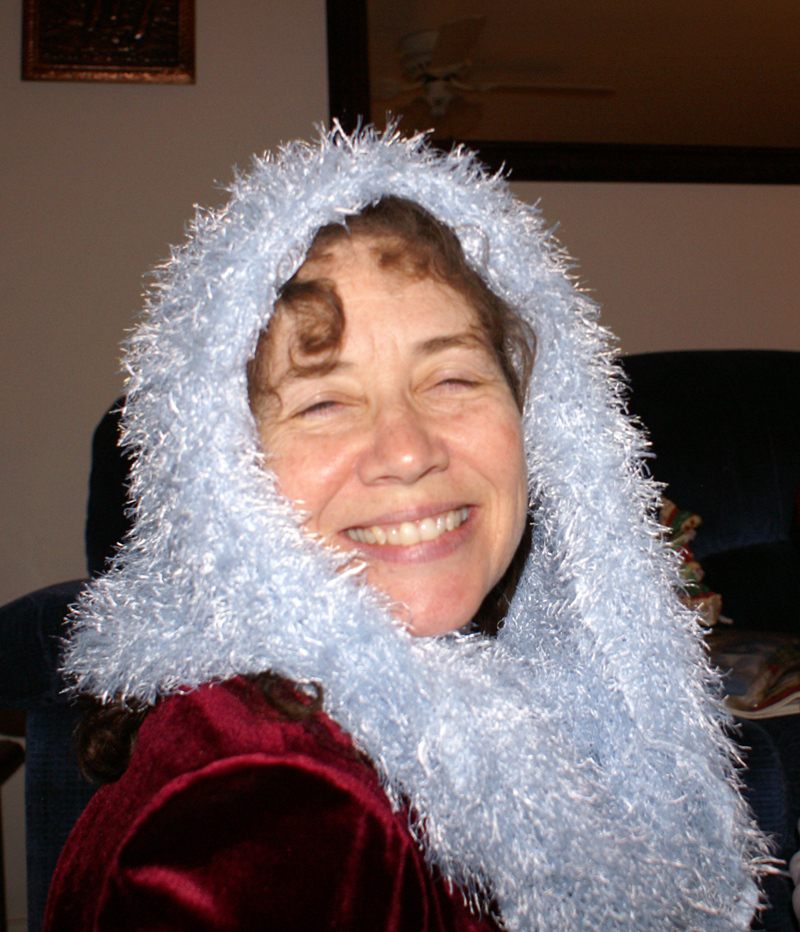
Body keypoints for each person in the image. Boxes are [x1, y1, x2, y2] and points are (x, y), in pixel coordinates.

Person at [44, 127, 766, 931]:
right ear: (219, 473)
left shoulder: (484, 725)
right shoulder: (268, 805)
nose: (410, 451)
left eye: (451, 378)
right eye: (324, 402)